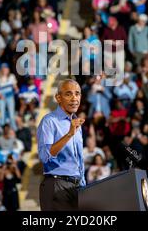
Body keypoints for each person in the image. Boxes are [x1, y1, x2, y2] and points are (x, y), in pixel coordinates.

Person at [37, 79, 85, 211]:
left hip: (76, 188)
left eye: (77, 93)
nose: (74, 98)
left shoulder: (77, 124)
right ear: (58, 98)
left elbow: (79, 160)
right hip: (56, 186)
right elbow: (44, 156)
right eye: (68, 94)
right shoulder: (49, 121)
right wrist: (69, 134)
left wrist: (84, 185)